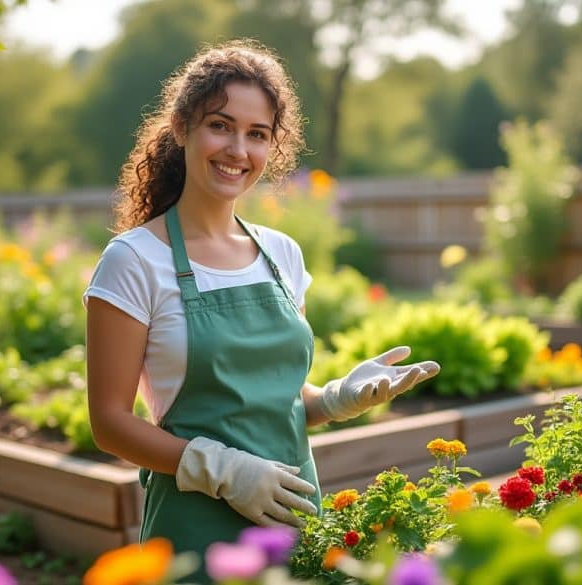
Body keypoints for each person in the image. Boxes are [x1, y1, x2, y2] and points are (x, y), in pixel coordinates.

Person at [83, 39, 440, 569]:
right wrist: (224, 470)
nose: (238, 150)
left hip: (293, 517)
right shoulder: (134, 260)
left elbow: (276, 405)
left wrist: (338, 399)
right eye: (220, 125)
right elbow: (109, 422)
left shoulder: (281, 254)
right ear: (182, 128)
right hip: (195, 532)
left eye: (257, 134)